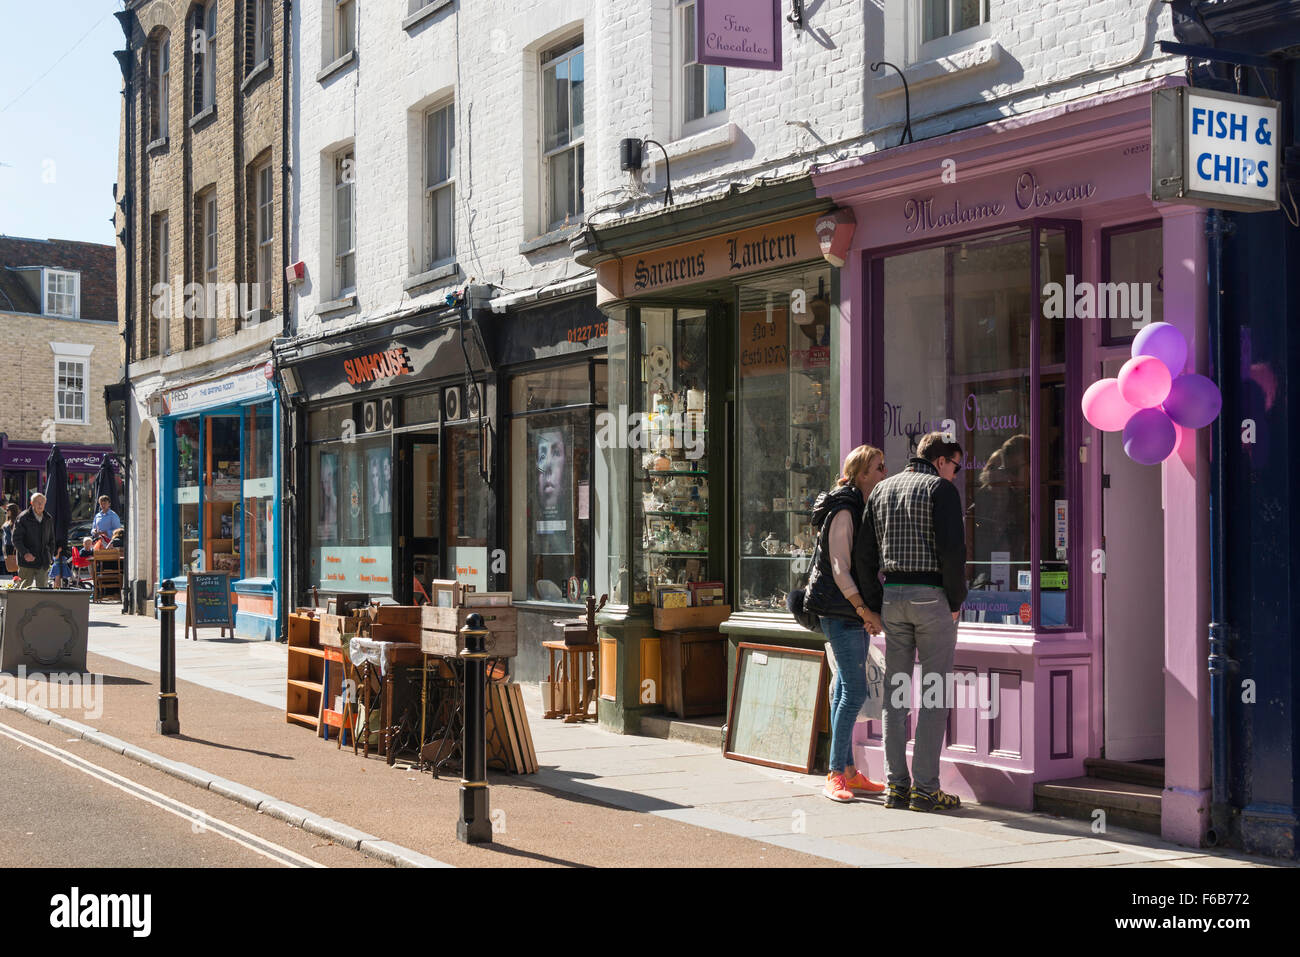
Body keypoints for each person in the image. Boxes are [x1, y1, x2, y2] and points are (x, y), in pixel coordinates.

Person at [857, 431, 968, 812]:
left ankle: (896, 787)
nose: (955, 473)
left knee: (896, 697)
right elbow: (954, 552)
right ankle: (925, 788)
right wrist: (955, 600)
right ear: (939, 461)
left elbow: (864, 555)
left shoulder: (882, 490)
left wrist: (876, 602)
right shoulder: (940, 491)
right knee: (934, 695)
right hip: (932, 597)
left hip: (893, 598)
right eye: (954, 465)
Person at [804, 444, 889, 802]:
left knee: (844, 688)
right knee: (854, 690)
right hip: (840, 611)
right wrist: (864, 610)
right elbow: (840, 567)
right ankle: (836, 773)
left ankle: (849, 772)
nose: (884, 473)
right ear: (861, 474)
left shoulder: (859, 506)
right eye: (878, 467)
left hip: (847, 611)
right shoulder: (845, 509)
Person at [13, 492, 57, 589]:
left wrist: (50, 555)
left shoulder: (48, 518)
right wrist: (25, 553)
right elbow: (16, 539)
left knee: (43, 591)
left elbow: (51, 540)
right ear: (32, 503)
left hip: (43, 561)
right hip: (26, 562)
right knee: (23, 590)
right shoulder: (23, 518)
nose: (40, 505)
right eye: (37, 502)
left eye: (42, 502)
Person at [2, 503, 18, 577]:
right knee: (10, 565)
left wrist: (15, 546)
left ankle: (17, 581)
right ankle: (15, 580)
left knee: (14, 565)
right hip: (6, 545)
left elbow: (15, 535)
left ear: (13, 511)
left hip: (12, 545)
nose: (6, 511)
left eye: (8, 510)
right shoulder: (8, 520)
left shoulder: (15, 522)